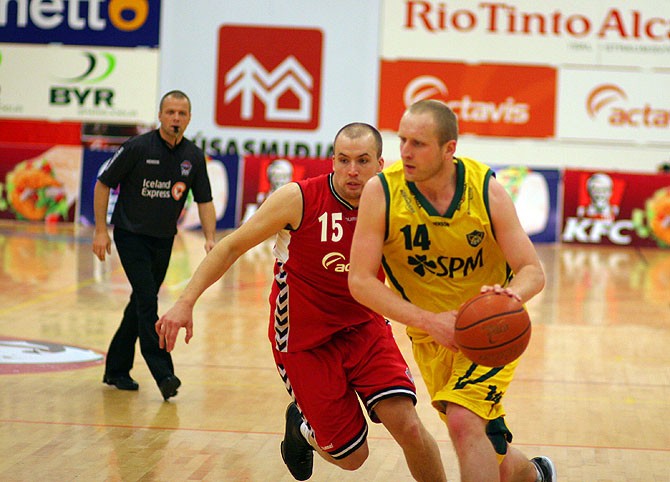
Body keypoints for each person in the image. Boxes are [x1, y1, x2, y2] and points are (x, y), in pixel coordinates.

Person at [155, 123, 447, 481]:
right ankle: (302, 429)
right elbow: (231, 246)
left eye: (362, 161)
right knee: (353, 457)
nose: (352, 170)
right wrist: (185, 302)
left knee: (410, 427)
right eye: (343, 160)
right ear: (332, 160)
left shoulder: (394, 205)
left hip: (365, 327)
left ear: (380, 164)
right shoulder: (299, 199)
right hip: (304, 339)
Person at [348, 100, 556, 482]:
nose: (405, 152)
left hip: (489, 328)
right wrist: (429, 321)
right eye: (402, 140)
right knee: (482, 443)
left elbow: (532, 271)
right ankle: (535, 476)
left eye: (418, 143)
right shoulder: (383, 192)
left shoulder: (485, 190)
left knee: (463, 422)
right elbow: (360, 281)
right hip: (431, 337)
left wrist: (509, 297)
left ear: (449, 149)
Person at [92, 90, 216, 401]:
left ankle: (116, 369)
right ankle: (164, 374)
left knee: (139, 302)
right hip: (130, 235)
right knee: (147, 300)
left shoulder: (193, 156)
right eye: (170, 112)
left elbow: (204, 200)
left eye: (182, 113)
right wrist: (100, 231)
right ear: (160, 115)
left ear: (189, 118)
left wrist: (211, 238)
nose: (176, 118)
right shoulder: (136, 147)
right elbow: (103, 183)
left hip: (163, 239)